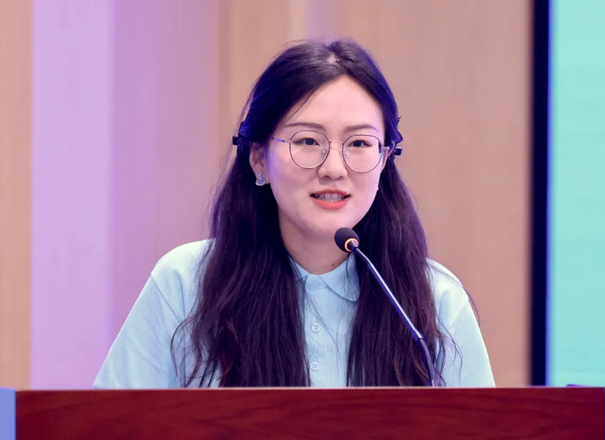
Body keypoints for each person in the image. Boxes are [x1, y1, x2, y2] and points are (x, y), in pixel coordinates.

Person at [94, 39, 495, 388]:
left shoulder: (435, 301)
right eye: (307, 141)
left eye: (359, 143)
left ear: (385, 159)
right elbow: (110, 426)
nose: (334, 168)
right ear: (258, 159)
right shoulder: (186, 283)